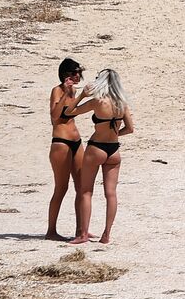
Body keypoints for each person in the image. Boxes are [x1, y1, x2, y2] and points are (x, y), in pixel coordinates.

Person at [65, 68, 134, 245]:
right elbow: (130, 129)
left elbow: (70, 112)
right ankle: (106, 235)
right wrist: (115, 134)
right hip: (113, 150)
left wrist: (81, 96)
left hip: (96, 148)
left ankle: (83, 234)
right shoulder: (122, 103)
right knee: (111, 193)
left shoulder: (98, 101)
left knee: (86, 191)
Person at [46, 58, 85, 240]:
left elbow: (74, 111)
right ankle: (51, 231)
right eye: (75, 73)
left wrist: (80, 95)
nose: (78, 76)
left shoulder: (74, 91)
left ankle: (81, 230)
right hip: (61, 142)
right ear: (66, 74)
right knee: (61, 187)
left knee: (81, 186)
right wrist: (64, 94)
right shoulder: (57, 90)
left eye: (79, 72)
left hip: (76, 141)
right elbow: (54, 116)